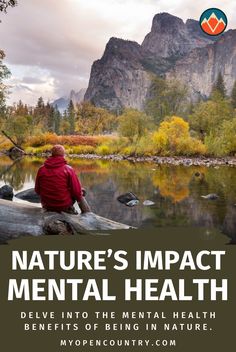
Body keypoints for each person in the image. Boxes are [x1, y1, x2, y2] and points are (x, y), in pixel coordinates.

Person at [35, 145, 91, 214]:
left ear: (51, 154)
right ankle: (87, 214)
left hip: (47, 206)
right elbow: (77, 192)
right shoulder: (68, 169)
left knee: (78, 191)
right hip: (63, 207)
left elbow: (37, 190)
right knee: (80, 191)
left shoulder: (41, 169)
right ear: (63, 155)